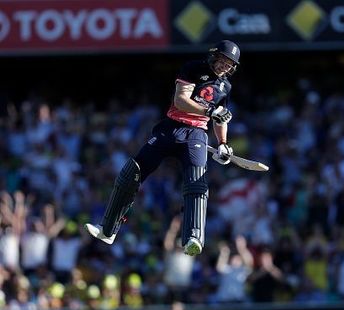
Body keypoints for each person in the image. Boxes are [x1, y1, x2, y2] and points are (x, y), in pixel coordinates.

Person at [85, 40, 240, 256]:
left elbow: (221, 118)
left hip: (196, 134)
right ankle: (108, 229)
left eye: (229, 63)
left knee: (196, 181)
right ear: (214, 56)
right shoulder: (193, 68)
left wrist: (223, 144)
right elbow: (180, 100)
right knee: (132, 172)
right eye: (222, 60)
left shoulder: (226, 87)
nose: (224, 66)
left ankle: (194, 236)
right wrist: (210, 112)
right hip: (171, 128)